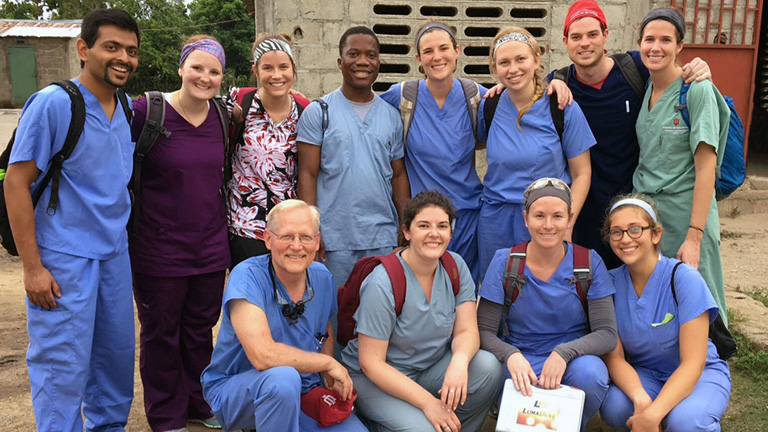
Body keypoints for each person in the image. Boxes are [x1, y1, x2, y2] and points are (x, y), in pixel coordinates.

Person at [3, 9, 139, 432]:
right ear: (84, 49)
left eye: (131, 51)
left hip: (113, 254)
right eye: (111, 47)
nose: (123, 58)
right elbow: (15, 183)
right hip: (63, 257)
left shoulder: (127, 108)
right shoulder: (55, 103)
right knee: (62, 366)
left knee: (114, 361)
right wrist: (32, 268)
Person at [552, 0, 711, 269]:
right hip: (585, 210)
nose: (585, 43)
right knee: (590, 288)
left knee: (640, 284)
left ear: (606, 35)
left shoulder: (634, 68)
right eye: (576, 37)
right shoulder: (560, 86)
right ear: (565, 41)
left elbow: (670, 68)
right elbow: (521, 89)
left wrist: (700, 67)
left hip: (636, 203)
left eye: (593, 34)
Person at [129, 35, 229, 432]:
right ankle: (166, 413)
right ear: (181, 68)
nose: (204, 78)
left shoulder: (224, 117)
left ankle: (197, 402)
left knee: (199, 331)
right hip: (158, 248)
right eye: (197, 68)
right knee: (160, 334)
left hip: (209, 247)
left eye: (214, 71)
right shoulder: (146, 112)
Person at [340, 191, 504, 432]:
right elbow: (371, 363)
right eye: (424, 225)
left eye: (442, 226)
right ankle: (379, 423)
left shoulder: (455, 266)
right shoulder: (383, 282)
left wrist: (459, 363)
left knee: (488, 367)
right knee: (424, 428)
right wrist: (429, 403)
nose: (434, 234)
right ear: (407, 232)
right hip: (375, 377)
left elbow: (467, 330)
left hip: (428, 368)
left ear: (450, 232)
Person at [201, 200, 367, 432]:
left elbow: (324, 327)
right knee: (282, 381)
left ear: (317, 241)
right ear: (268, 239)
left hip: (303, 388)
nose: (297, 246)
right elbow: (263, 357)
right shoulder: (247, 277)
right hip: (241, 390)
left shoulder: (322, 277)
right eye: (287, 236)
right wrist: (327, 363)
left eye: (305, 237)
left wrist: (325, 376)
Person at [478, 178, 617, 432]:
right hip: (520, 358)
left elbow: (607, 334)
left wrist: (565, 352)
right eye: (539, 216)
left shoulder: (587, 262)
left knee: (592, 373)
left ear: (570, 218)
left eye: (557, 216)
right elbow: (484, 331)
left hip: (572, 360)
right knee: (492, 374)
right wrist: (510, 355)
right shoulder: (506, 263)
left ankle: (572, 425)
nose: (548, 225)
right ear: (526, 218)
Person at [632, 8, 730, 325]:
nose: (655, 47)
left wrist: (695, 237)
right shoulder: (646, 87)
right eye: (649, 39)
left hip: (689, 212)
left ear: (680, 46)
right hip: (651, 215)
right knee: (664, 302)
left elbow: (706, 170)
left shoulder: (696, 91)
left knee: (701, 301)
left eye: (665, 40)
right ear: (639, 43)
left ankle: (714, 368)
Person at [599, 195, 730, 431]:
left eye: (635, 229)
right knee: (615, 407)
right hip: (647, 375)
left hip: (699, 374)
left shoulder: (682, 278)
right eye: (616, 232)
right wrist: (640, 398)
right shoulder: (609, 283)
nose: (625, 239)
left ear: (655, 234)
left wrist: (653, 414)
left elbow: (693, 362)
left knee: (686, 422)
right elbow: (614, 357)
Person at [476, 27, 596, 279]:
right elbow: (475, 143)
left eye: (521, 59)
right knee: (495, 293)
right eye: (504, 63)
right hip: (495, 220)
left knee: (543, 291)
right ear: (495, 69)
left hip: (545, 220)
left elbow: (582, 173)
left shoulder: (561, 107)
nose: (513, 69)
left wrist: (568, 221)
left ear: (536, 60)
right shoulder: (490, 104)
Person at [297, 26, 410, 288]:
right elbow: (307, 174)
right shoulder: (319, 112)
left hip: (382, 236)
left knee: (379, 316)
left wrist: (405, 224)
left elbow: (398, 174)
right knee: (335, 316)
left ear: (378, 62)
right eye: (353, 54)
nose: (362, 61)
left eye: (371, 55)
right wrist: (311, 230)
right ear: (340, 62)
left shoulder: (390, 115)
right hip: (335, 239)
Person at [378, 21, 486, 283]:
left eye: (444, 48)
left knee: (462, 288)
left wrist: (556, 85)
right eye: (428, 51)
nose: (437, 57)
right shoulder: (404, 95)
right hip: (422, 220)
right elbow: (361, 106)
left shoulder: (475, 96)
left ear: (457, 51)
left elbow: (521, 99)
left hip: (466, 217)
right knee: (422, 289)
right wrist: (298, 101)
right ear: (418, 58)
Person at [227, 33, 308, 267]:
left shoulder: (305, 110)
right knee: (252, 297)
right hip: (245, 226)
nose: (276, 75)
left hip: (289, 228)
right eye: (267, 68)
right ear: (256, 70)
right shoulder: (238, 102)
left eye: (283, 67)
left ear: (293, 68)